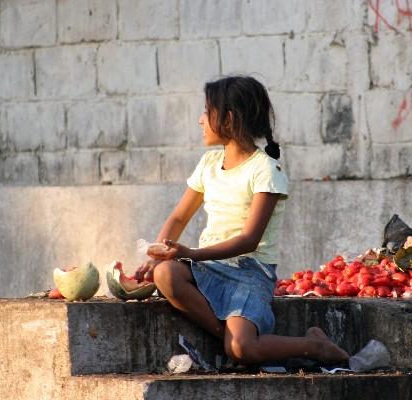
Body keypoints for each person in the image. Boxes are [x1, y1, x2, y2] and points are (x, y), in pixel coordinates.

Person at [134, 76, 349, 366]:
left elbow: (249, 239)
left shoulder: (265, 171)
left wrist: (191, 253)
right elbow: (179, 216)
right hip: (208, 267)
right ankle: (227, 336)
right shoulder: (209, 163)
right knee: (165, 274)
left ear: (229, 118)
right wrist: (157, 253)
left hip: (248, 273)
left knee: (243, 351)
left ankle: (314, 346)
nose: (199, 120)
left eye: (206, 111)